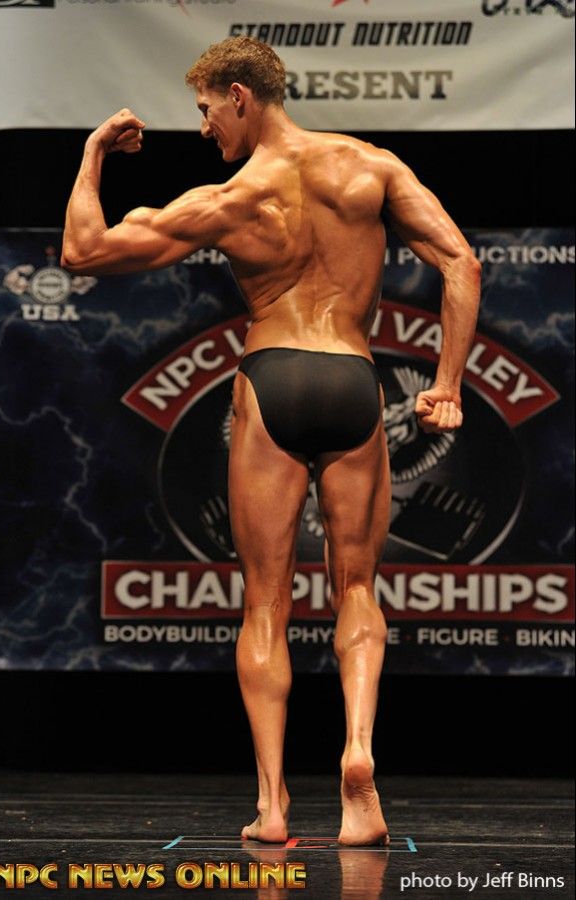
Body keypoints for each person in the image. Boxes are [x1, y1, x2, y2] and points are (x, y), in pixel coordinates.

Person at [61, 36, 481, 846]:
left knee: (265, 603)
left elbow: (84, 249)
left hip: (273, 375)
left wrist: (92, 154)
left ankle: (273, 804)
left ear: (240, 96)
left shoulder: (230, 199)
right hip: (353, 380)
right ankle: (358, 755)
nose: (204, 129)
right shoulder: (370, 166)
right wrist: (447, 385)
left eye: (207, 110)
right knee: (357, 588)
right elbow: (461, 262)